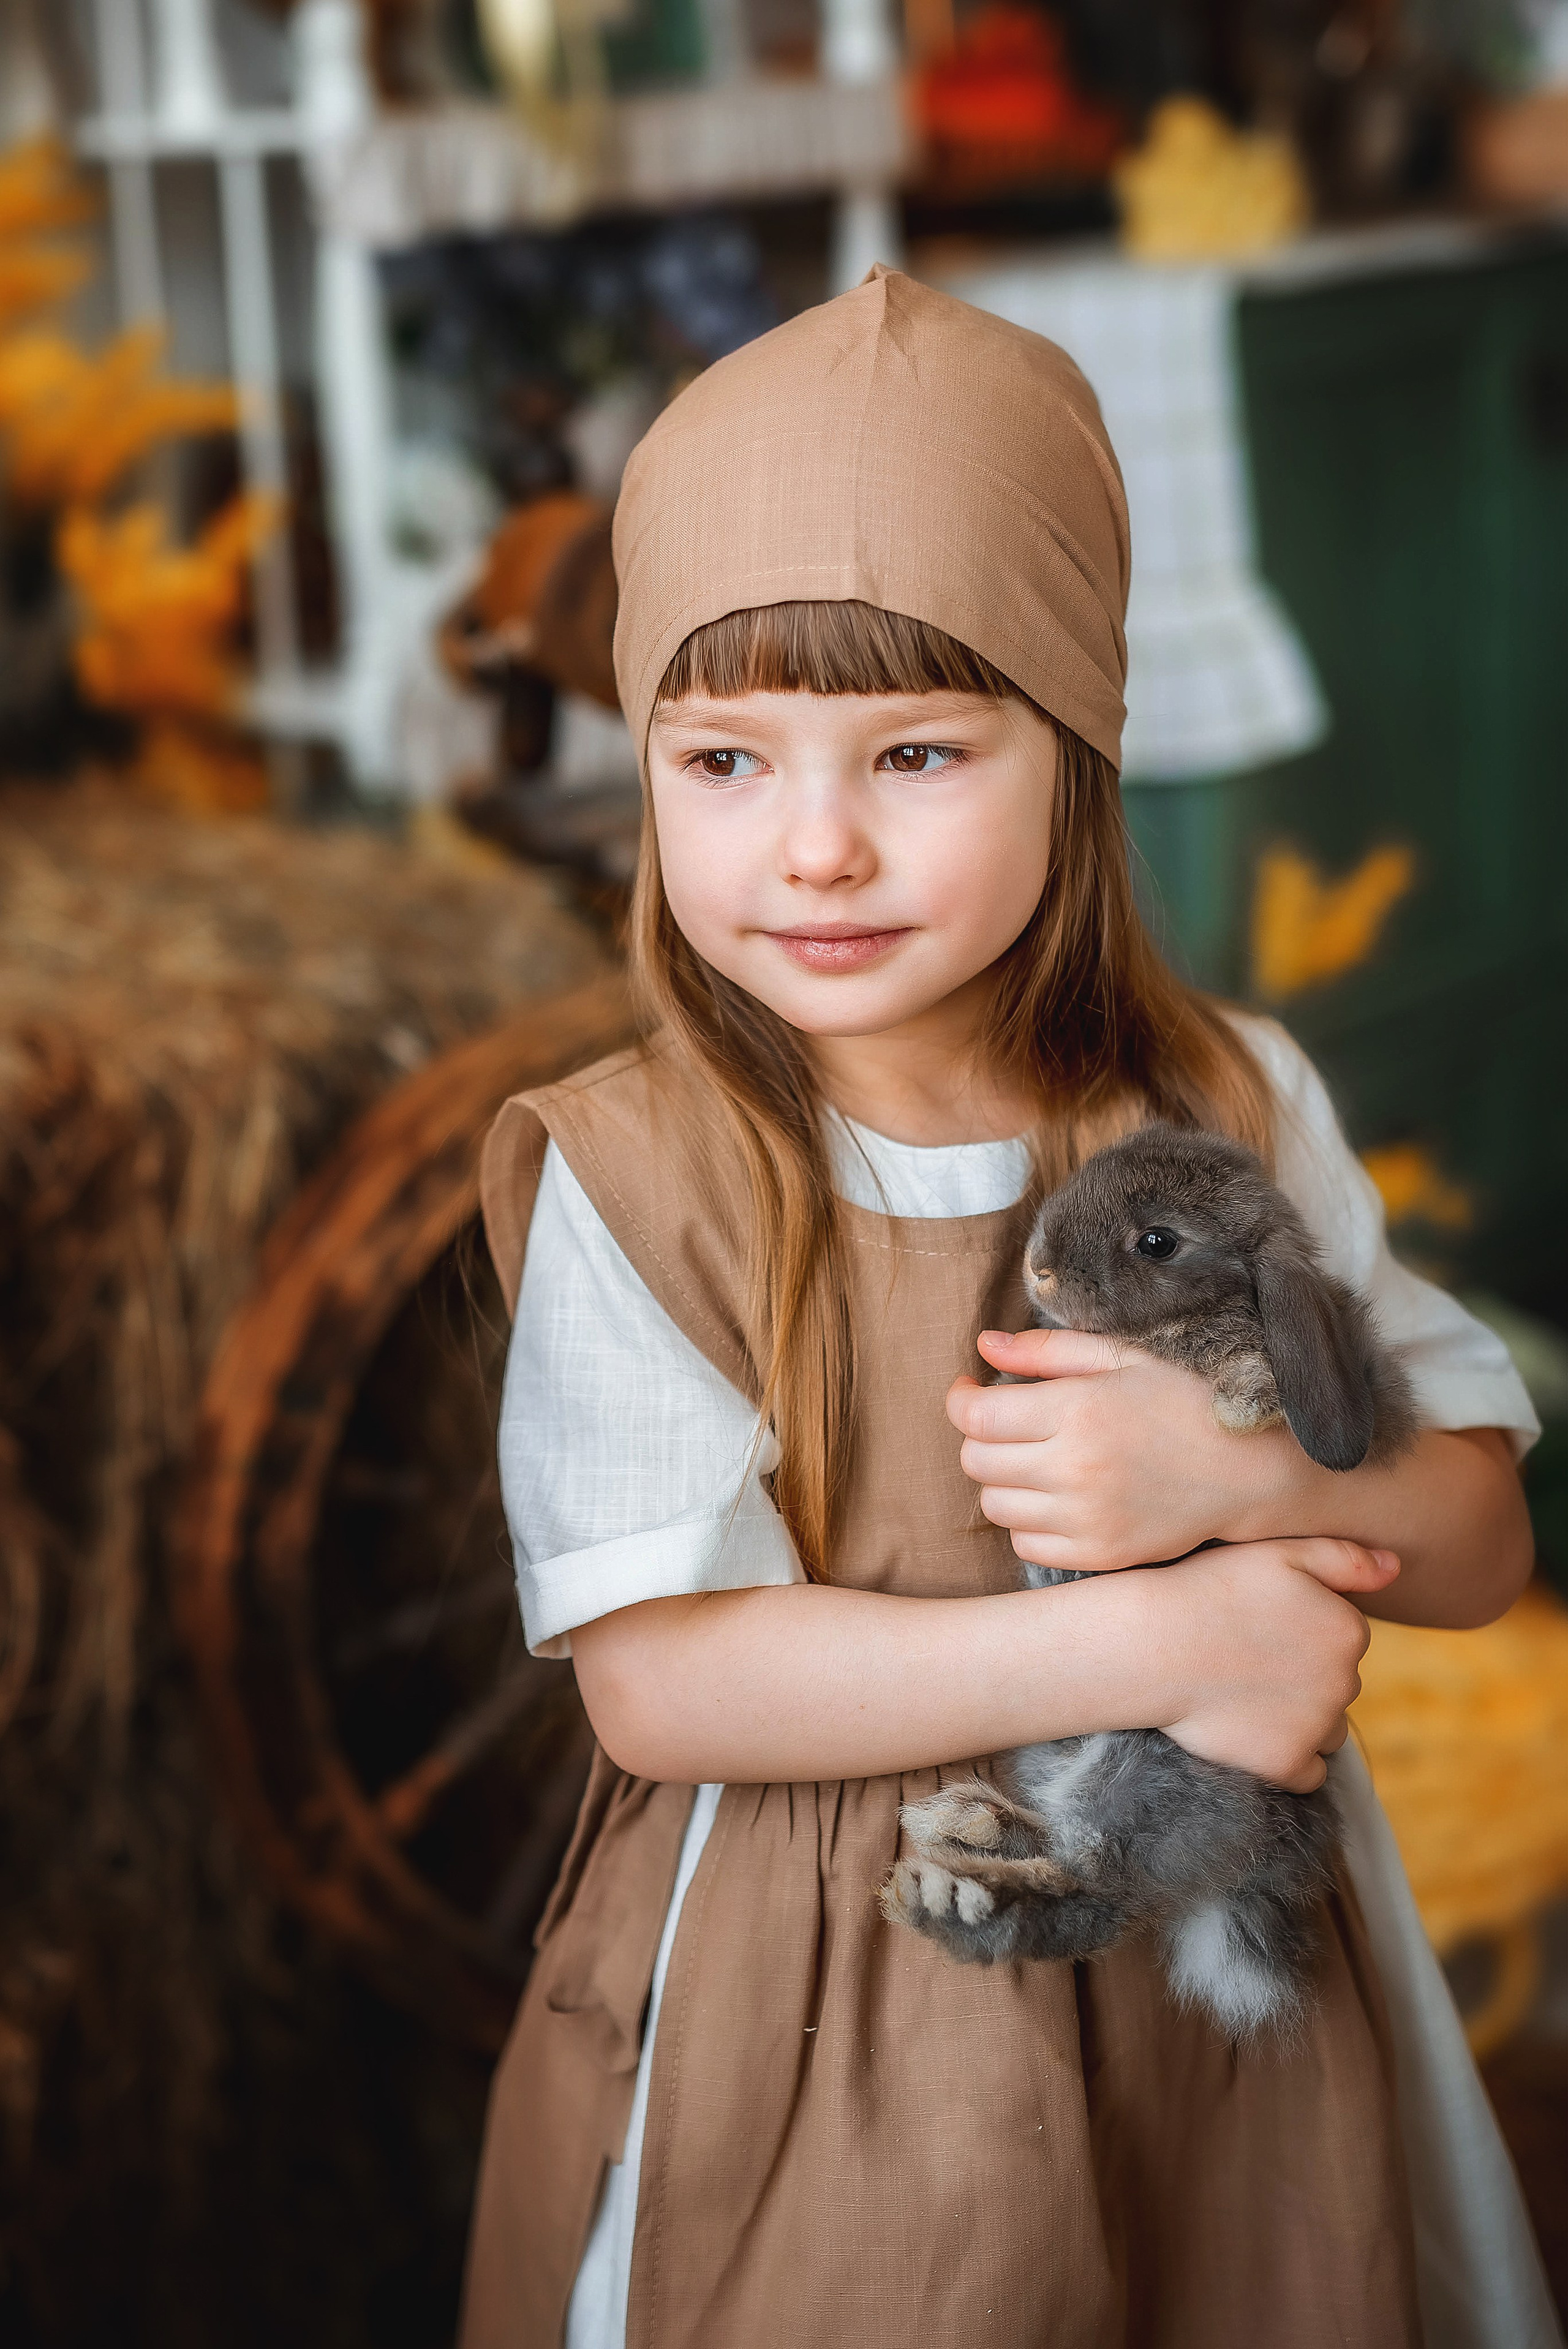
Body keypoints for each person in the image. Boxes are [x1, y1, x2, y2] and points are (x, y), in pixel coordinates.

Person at [459, 269, 1561, 2349]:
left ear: (1073, 746)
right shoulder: (637, 1172)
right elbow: (662, 1685)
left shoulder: (1228, 1103)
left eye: (918, 748)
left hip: (1209, 1977)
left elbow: (1479, 1539)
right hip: (820, 1997)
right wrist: (1168, 1627)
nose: (817, 845)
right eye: (722, 756)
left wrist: (1228, 1474)